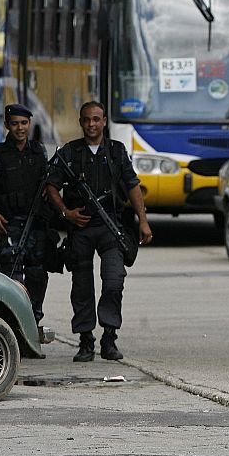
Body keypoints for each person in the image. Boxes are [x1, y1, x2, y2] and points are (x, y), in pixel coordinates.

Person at [45, 101, 153, 362]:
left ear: (104, 121)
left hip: (110, 227)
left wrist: (143, 220)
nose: (91, 124)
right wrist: (66, 213)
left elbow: (132, 186)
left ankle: (109, 337)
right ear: (80, 122)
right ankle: (85, 340)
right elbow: (50, 185)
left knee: (114, 281)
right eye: (86, 120)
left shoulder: (116, 151)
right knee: (82, 286)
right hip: (81, 227)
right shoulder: (69, 152)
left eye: (96, 119)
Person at [0, 104, 51, 331]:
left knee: (37, 277)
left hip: (36, 226)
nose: (20, 128)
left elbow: (50, 185)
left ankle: (33, 325)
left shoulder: (39, 152)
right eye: (15, 124)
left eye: (24, 123)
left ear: (30, 124)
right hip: (9, 226)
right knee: (11, 282)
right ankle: (13, 328)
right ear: (7, 126)